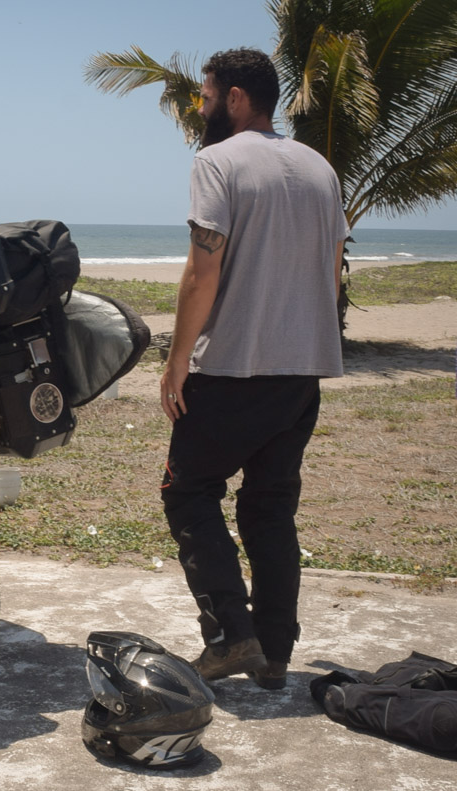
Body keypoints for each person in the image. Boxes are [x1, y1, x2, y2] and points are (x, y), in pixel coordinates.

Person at [159, 48, 348, 690]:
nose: (202, 108)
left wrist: (177, 360)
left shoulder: (216, 162)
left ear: (238, 97)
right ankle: (273, 649)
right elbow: (330, 275)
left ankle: (230, 637)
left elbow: (201, 271)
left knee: (187, 491)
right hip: (302, 374)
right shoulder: (320, 168)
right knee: (269, 509)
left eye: (207, 96)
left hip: (234, 370)